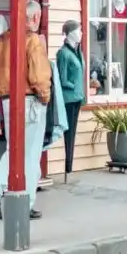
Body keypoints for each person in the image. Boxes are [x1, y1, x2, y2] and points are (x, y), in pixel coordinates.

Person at [0, 0, 53, 222]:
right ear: (34, 18)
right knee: (30, 154)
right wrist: (45, 97)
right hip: (31, 100)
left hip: (7, 100)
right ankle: (20, 199)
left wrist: (1, 92)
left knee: (13, 147)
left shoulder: (3, 39)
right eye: (38, 17)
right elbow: (39, 76)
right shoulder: (32, 40)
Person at [55, 19, 86, 178]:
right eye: (78, 30)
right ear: (70, 33)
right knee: (69, 132)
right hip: (69, 98)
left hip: (78, 97)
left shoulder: (77, 51)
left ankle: (70, 166)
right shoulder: (63, 53)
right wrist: (73, 85)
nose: (81, 33)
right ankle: (68, 165)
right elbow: (62, 77)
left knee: (73, 131)